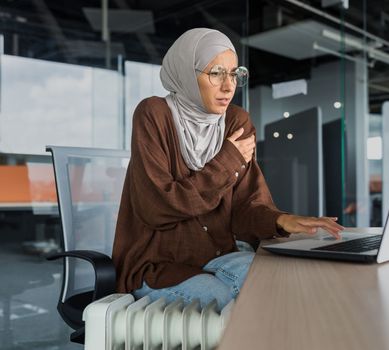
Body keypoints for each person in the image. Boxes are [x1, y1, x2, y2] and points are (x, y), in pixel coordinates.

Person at [112, 28, 344, 310]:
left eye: (234, 74)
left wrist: (281, 220)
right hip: (159, 265)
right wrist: (228, 160)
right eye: (216, 73)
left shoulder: (236, 121)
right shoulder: (153, 114)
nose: (228, 86)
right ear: (186, 72)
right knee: (229, 301)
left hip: (219, 256)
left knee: (285, 279)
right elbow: (158, 207)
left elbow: (245, 206)